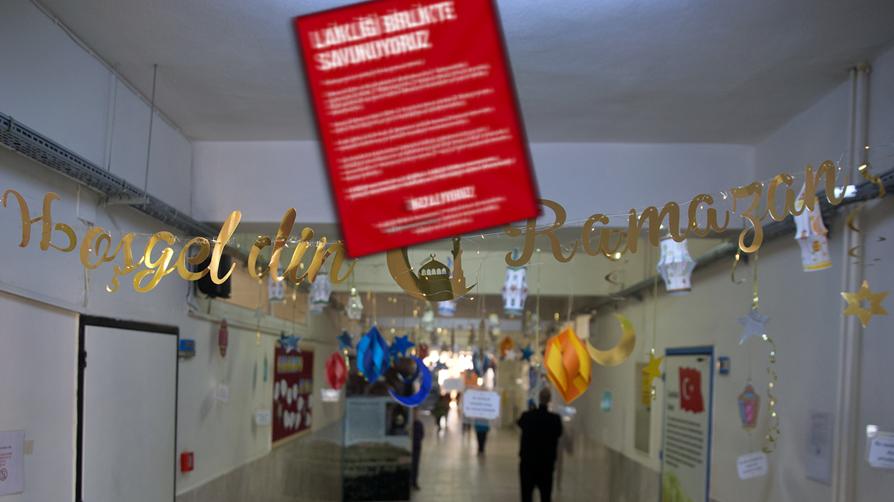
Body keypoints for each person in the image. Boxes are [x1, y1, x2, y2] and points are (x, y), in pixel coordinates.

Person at [517, 388, 563, 502]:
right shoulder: (555, 420)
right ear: (549, 400)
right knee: (545, 495)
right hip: (546, 464)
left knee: (526, 495)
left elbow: (519, 423)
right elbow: (559, 433)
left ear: (539, 398)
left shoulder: (527, 416)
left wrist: (531, 410)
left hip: (528, 463)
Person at [411, 409, 425, 490]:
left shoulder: (419, 424)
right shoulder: (410, 424)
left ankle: (414, 482)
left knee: (415, 466)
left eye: (416, 413)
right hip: (410, 447)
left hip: (416, 447)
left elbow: (422, 435)